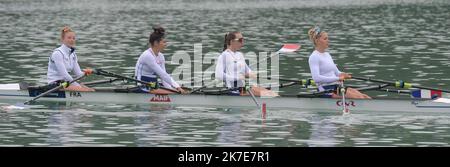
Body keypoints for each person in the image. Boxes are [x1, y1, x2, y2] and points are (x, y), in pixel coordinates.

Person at [307, 26, 371, 99]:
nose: (328, 41)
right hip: (326, 89)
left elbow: (337, 72)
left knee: (365, 96)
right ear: (317, 40)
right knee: (360, 98)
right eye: (325, 39)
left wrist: (343, 74)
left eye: (328, 38)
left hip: (336, 87)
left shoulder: (327, 55)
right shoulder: (314, 57)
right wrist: (337, 78)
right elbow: (316, 78)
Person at [215, 31, 277, 96]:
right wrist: (237, 77)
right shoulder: (223, 56)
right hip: (233, 90)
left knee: (273, 93)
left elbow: (247, 70)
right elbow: (219, 75)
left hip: (244, 88)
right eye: (240, 40)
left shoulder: (239, 55)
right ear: (231, 41)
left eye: (243, 40)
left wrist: (251, 74)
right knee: (269, 94)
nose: (242, 43)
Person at [134, 26, 186, 94]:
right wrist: (177, 88)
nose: (166, 44)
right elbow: (162, 75)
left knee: (171, 91)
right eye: (164, 42)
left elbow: (164, 77)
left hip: (152, 83)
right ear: (156, 43)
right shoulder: (147, 55)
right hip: (141, 83)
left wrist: (171, 89)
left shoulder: (161, 56)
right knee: (172, 92)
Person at [47, 26, 94, 92]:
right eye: (69, 38)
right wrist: (77, 86)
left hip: (65, 82)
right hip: (55, 84)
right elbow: (65, 75)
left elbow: (78, 74)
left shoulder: (73, 55)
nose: (72, 40)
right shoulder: (57, 54)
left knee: (91, 90)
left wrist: (86, 73)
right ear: (62, 39)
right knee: (85, 90)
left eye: (73, 38)